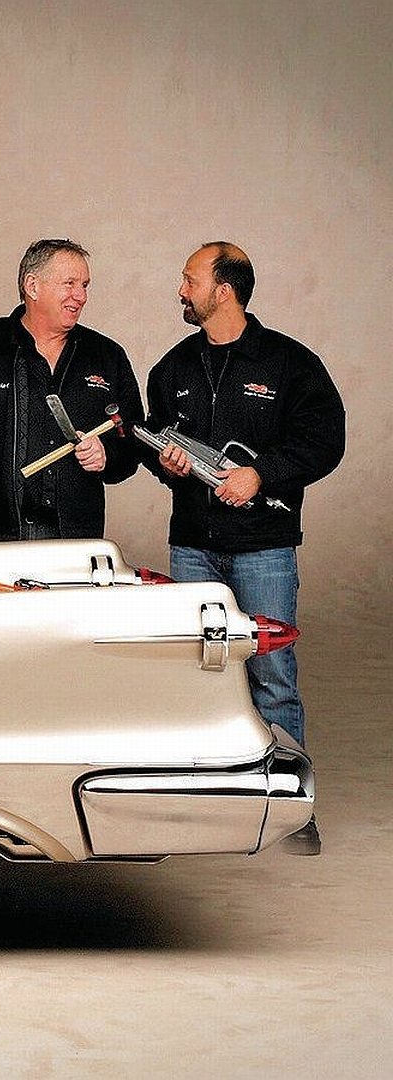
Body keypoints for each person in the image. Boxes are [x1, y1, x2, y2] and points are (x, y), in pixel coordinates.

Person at [146, 242, 344, 855]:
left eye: (190, 280)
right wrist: (169, 466)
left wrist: (263, 475)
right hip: (192, 548)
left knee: (272, 675)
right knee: (198, 674)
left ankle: (290, 811)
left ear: (223, 290)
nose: (181, 290)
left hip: (264, 549)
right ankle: (210, 806)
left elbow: (325, 442)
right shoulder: (172, 369)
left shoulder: (290, 364)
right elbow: (160, 451)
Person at [0, 239, 143, 543]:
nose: (81, 296)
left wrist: (107, 455)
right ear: (32, 286)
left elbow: (133, 443)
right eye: (70, 284)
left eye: (85, 285)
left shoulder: (107, 356)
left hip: (74, 546)